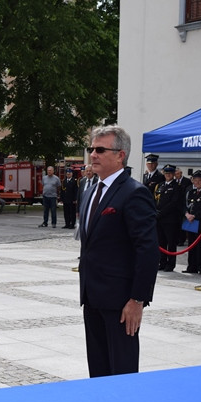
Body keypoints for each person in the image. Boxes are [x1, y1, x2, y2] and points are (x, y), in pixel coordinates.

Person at [78, 125, 158, 377]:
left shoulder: (134, 193)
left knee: (122, 370)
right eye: (92, 149)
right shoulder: (91, 190)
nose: (93, 155)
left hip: (121, 302)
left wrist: (137, 300)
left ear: (120, 155)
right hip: (92, 296)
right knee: (98, 368)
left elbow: (147, 251)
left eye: (101, 150)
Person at [155, 164, 183, 272]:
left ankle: (170, 264)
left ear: (173, 174)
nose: (168, 175)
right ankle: (162, 262)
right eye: (166, 173)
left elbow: (174, 203)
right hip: (159, 219)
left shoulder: (177, 186)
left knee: (171, 242)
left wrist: (161, 213)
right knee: (161, 242)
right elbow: (156, 199)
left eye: (170, 173)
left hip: (170, 219)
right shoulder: (160, 185)